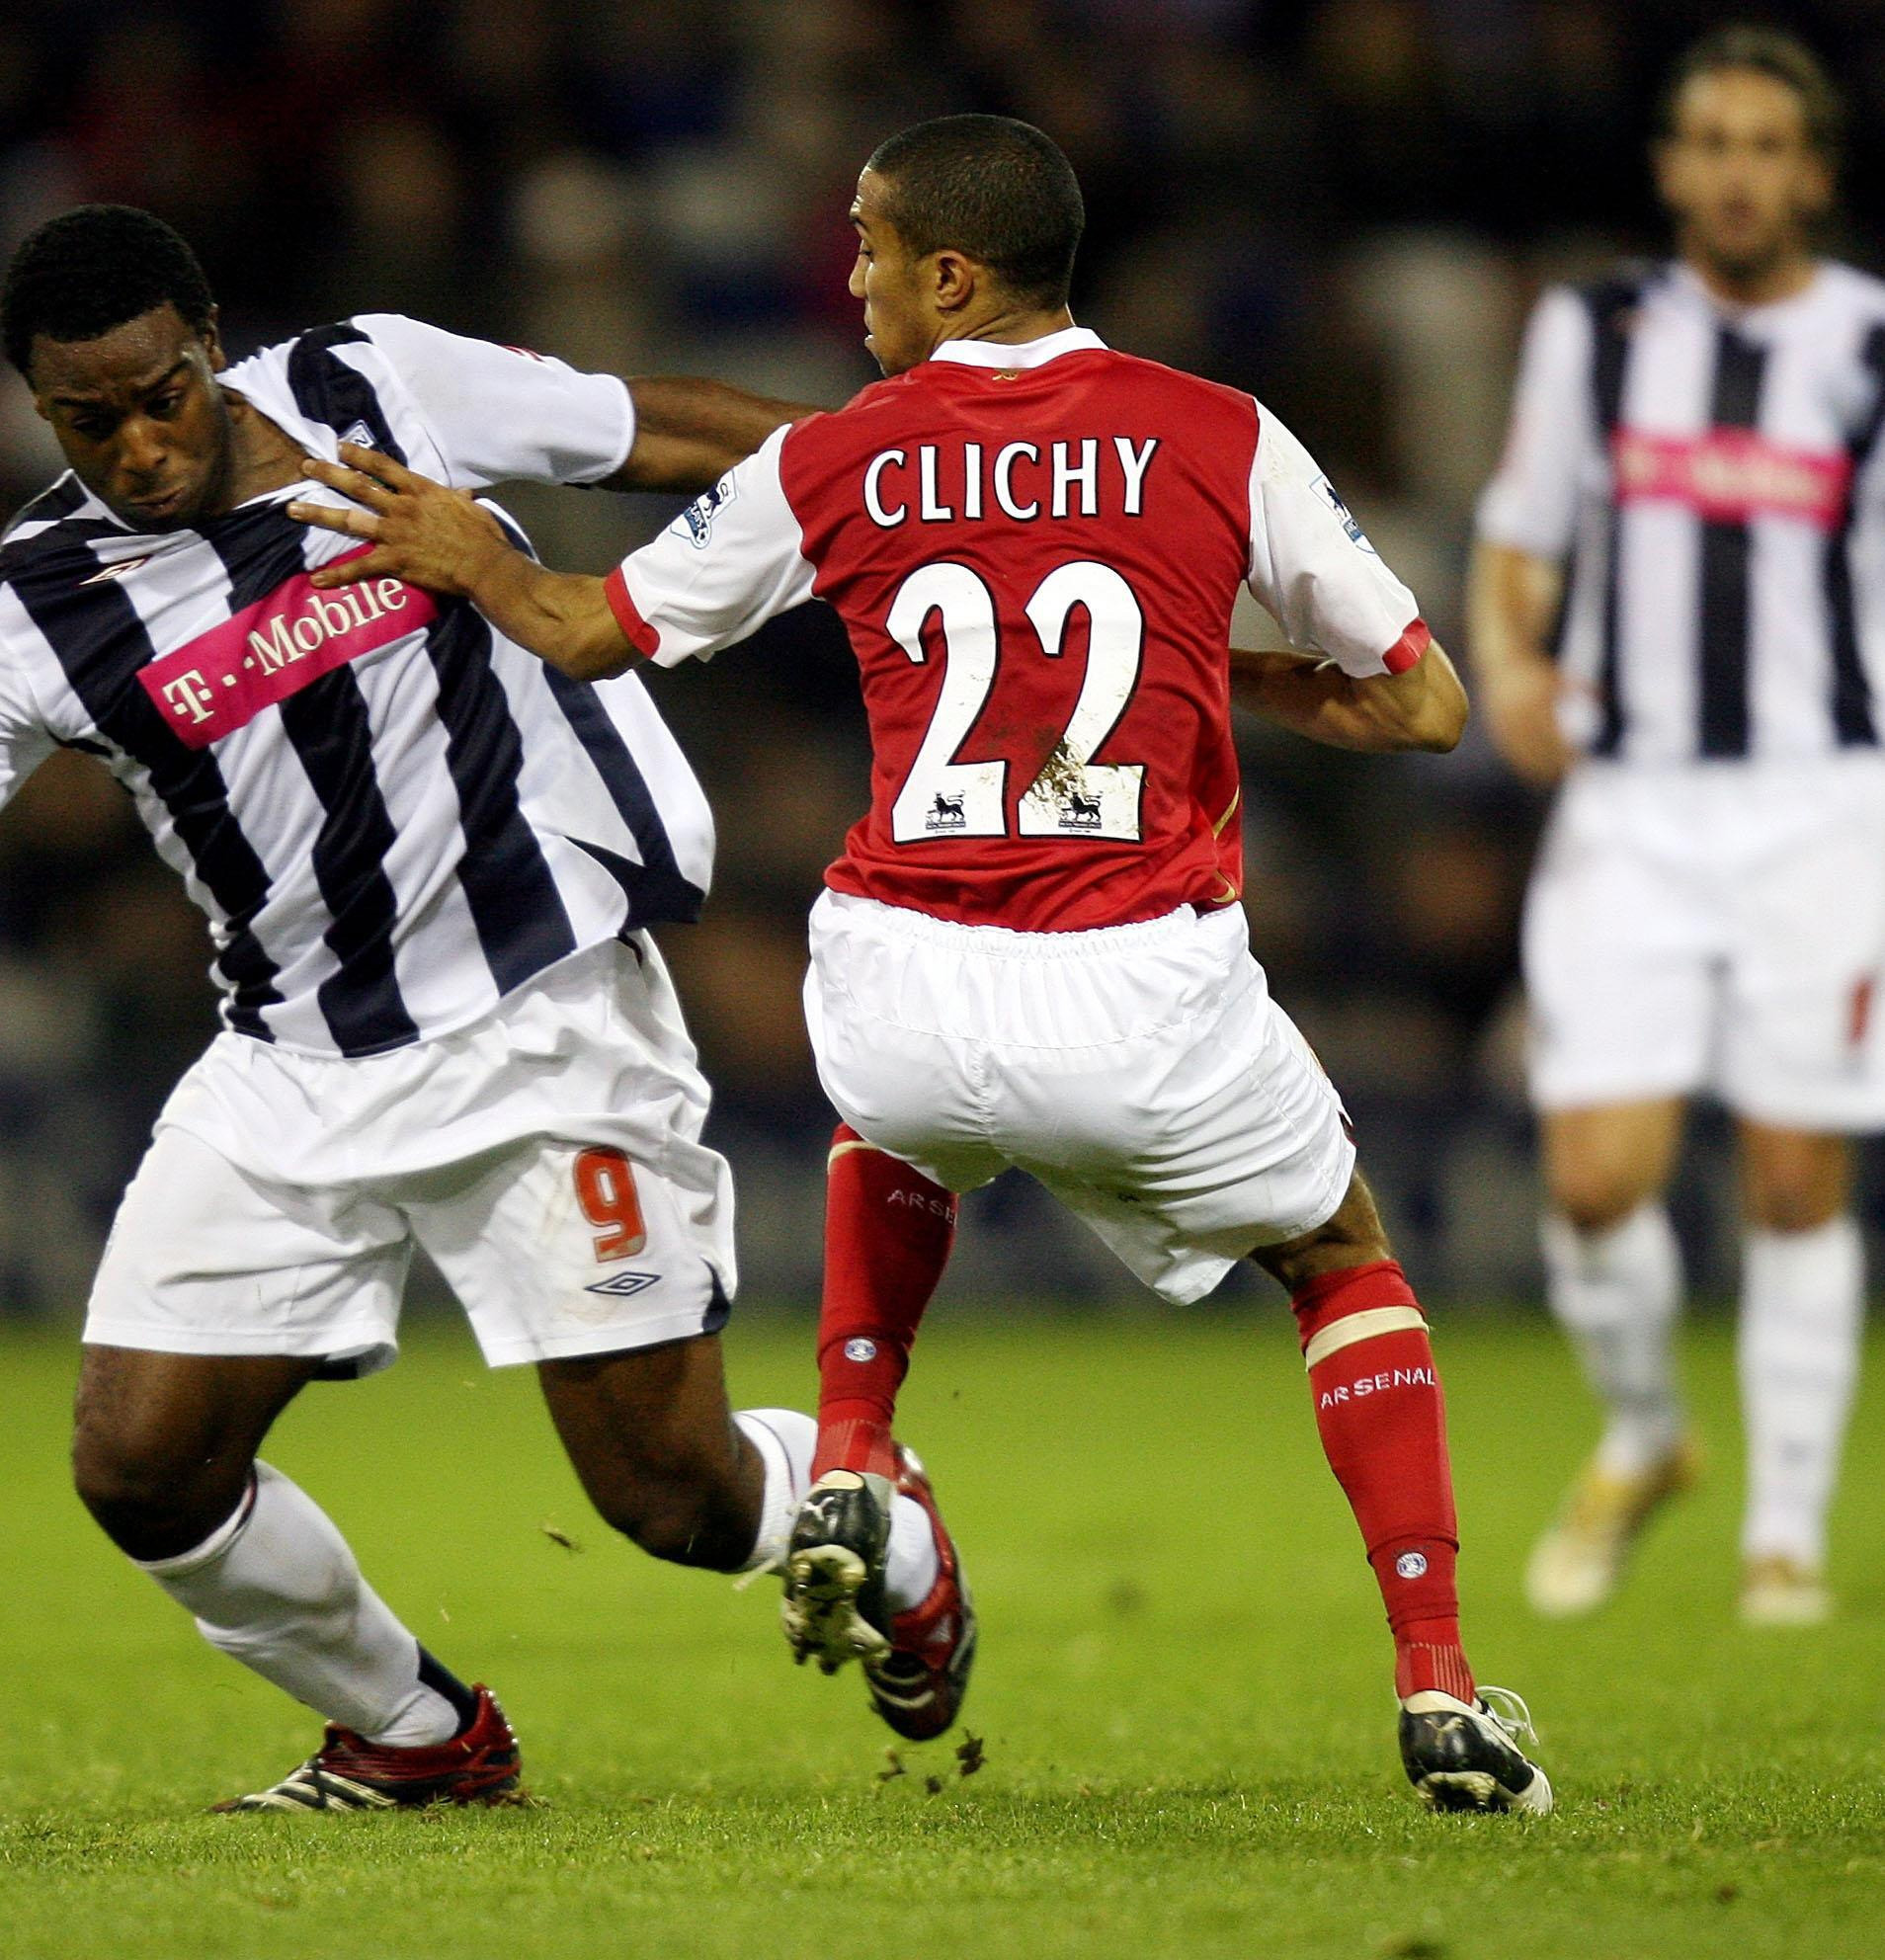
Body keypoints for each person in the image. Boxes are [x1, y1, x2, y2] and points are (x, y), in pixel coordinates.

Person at [0, 204, 929, 1812]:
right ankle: (422, 1737)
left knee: (675, 1502)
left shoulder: (384, 387)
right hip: (293, 1058)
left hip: (547, 1014)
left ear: (210, 342)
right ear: (36, 409)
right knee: (141, 1464)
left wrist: (912, 466)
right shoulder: (14, 628)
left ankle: (881, 1522)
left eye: (162, 394)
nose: (141, 444)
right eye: (90, 420)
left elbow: (668, 430)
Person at [292, 115, 1552, 1813]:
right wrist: (1220, 663)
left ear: (954, 273)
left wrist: (475, 552)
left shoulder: (844, 453)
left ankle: (859, 1454)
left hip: (896, 978)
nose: (855, 276)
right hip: (1137, 989)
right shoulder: (1219, 436)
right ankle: (1441, 1687)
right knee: (1337, 1260)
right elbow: (1425, 703)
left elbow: (589, 630)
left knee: (896, 1132)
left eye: (874, 247)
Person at [1471, 27, 1881, 1628]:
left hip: (1821, 805)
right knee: (1594, 1178)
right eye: (1709, 139)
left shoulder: (1867, 345)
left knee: (1794, 1177)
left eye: (1767, 143)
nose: (1736, 169)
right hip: (1631, 803)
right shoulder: (1599, 331)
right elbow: (1520, 531)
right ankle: (1648, 1437)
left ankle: (1786, 1533)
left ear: (1816, 174)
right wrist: (1510, 663)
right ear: (1670, 168)